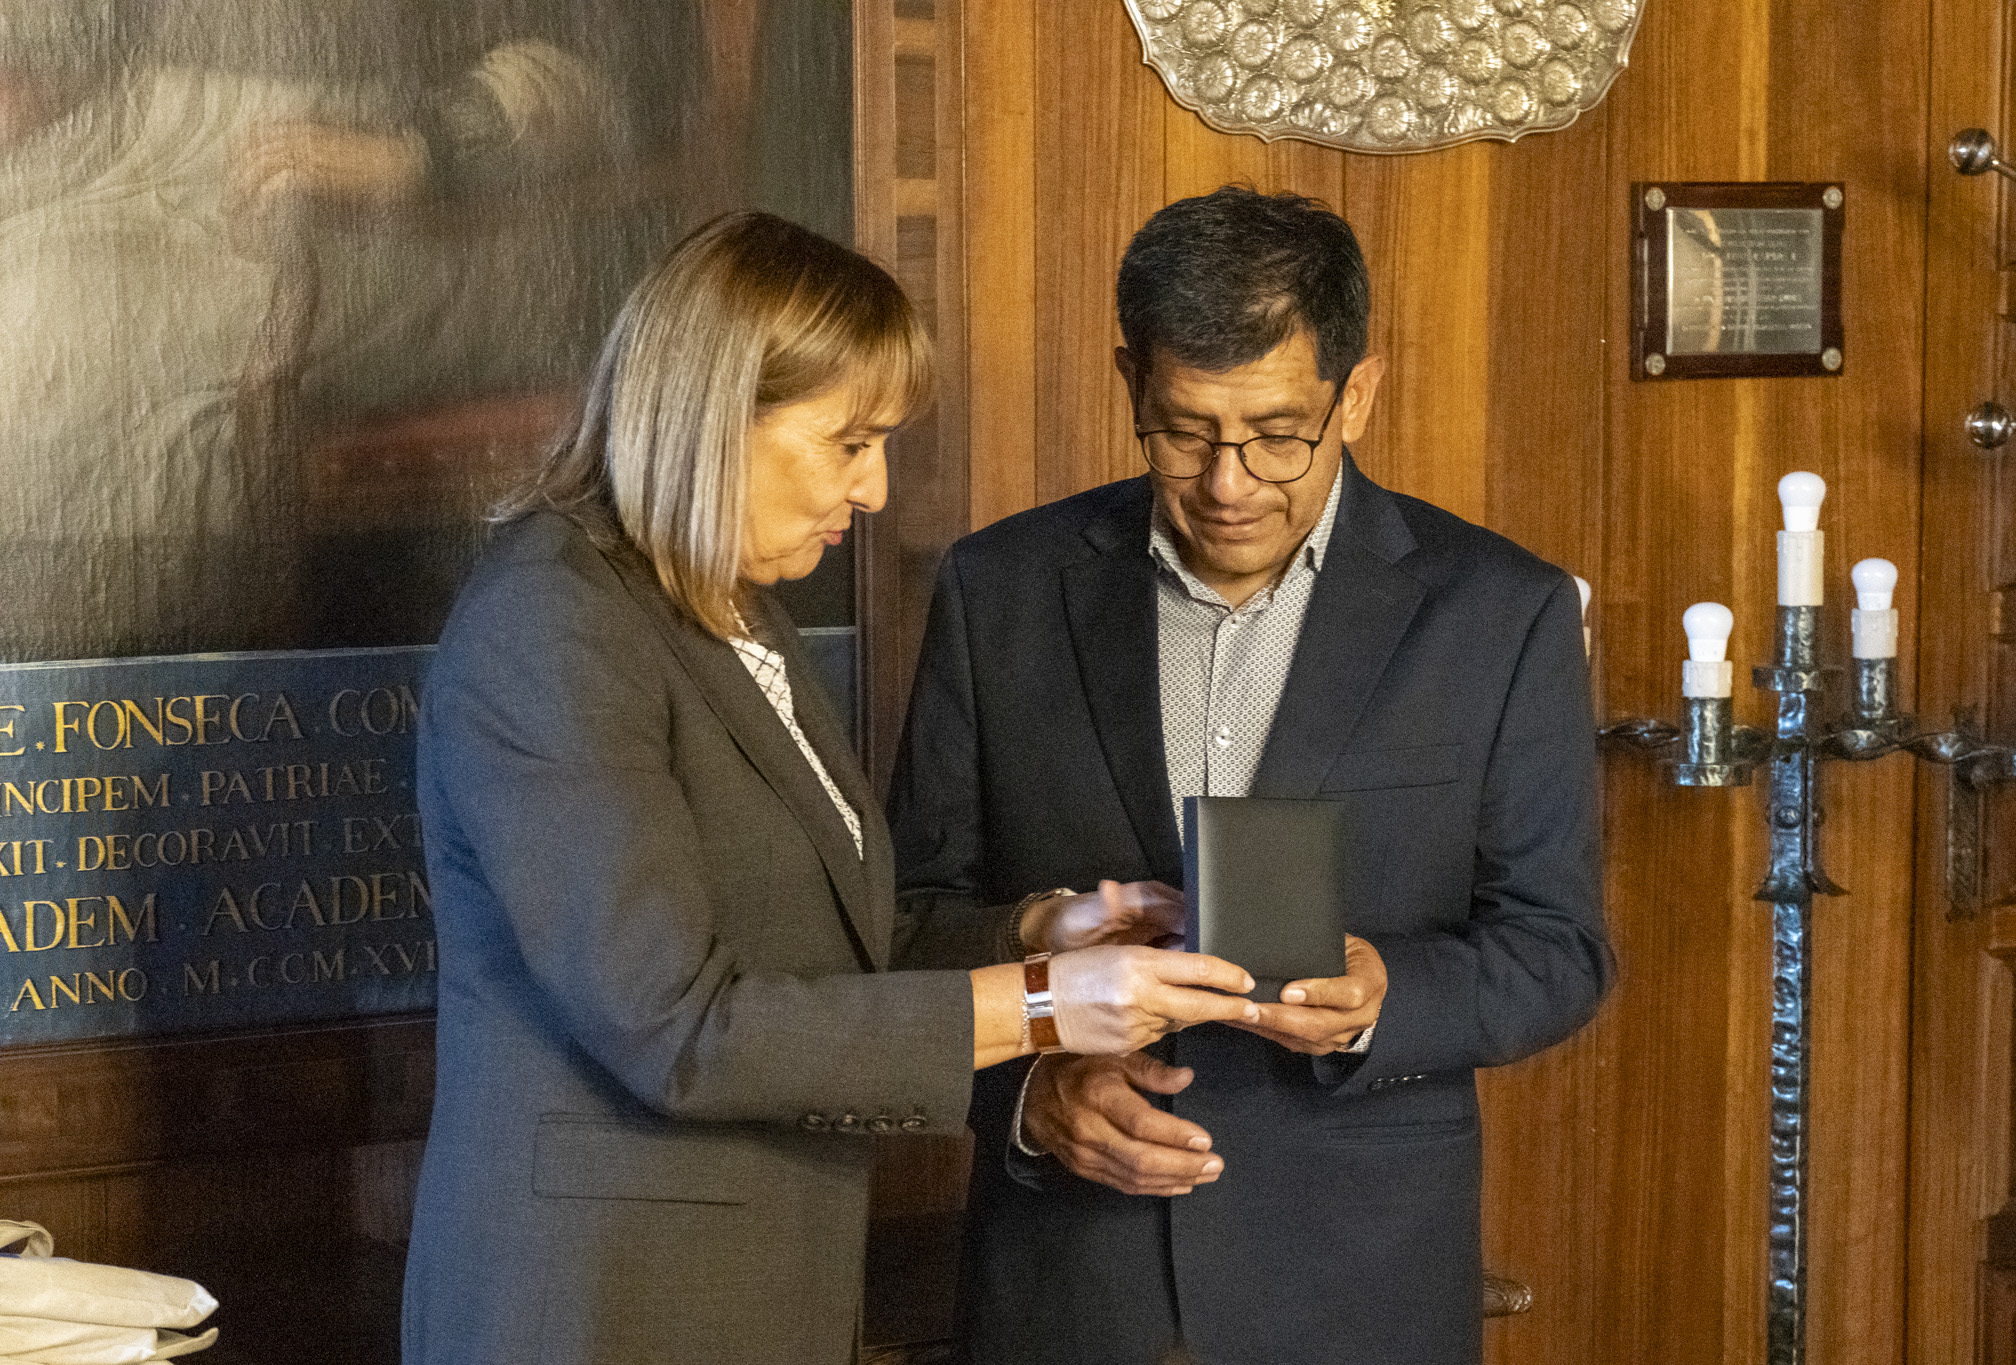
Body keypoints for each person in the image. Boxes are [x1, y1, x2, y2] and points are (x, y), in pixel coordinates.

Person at [399, 212, 1263, 1365]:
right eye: (849, 442)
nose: (874, 489)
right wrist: (1042, 1006)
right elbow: (678, 1027)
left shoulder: (730, 606)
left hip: (758, 1290)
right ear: (713, 417)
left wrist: (1039, 931)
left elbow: (826, 947)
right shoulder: (551, 624)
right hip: (603, 1309)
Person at [888, 186, 1615, 1365]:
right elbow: (907, 927)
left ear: (1355, 395)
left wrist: (1386, 995)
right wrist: (1026, 1097)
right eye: (1184, 433)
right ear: (1129, 382)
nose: (1229, 484)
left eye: (1279, 435)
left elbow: (1558, 950)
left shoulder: (1498, 612)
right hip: (1070, 1287)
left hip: (1358, 1288)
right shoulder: (998, 590)